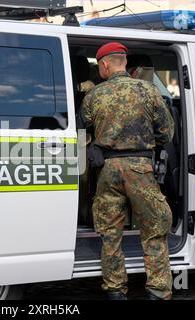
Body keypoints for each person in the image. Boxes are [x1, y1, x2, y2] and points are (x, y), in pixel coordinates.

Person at [81, 42, 175, 300]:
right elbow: (167, 132)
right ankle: (156, 291)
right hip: (140, 168)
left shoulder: (94, 95)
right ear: (124, 62)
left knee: (110, 233)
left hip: (107, 169)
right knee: (154, 228)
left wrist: (96, 145)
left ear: (104, 64)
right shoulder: (148, 90)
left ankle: (115, 291)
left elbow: (81, 130)